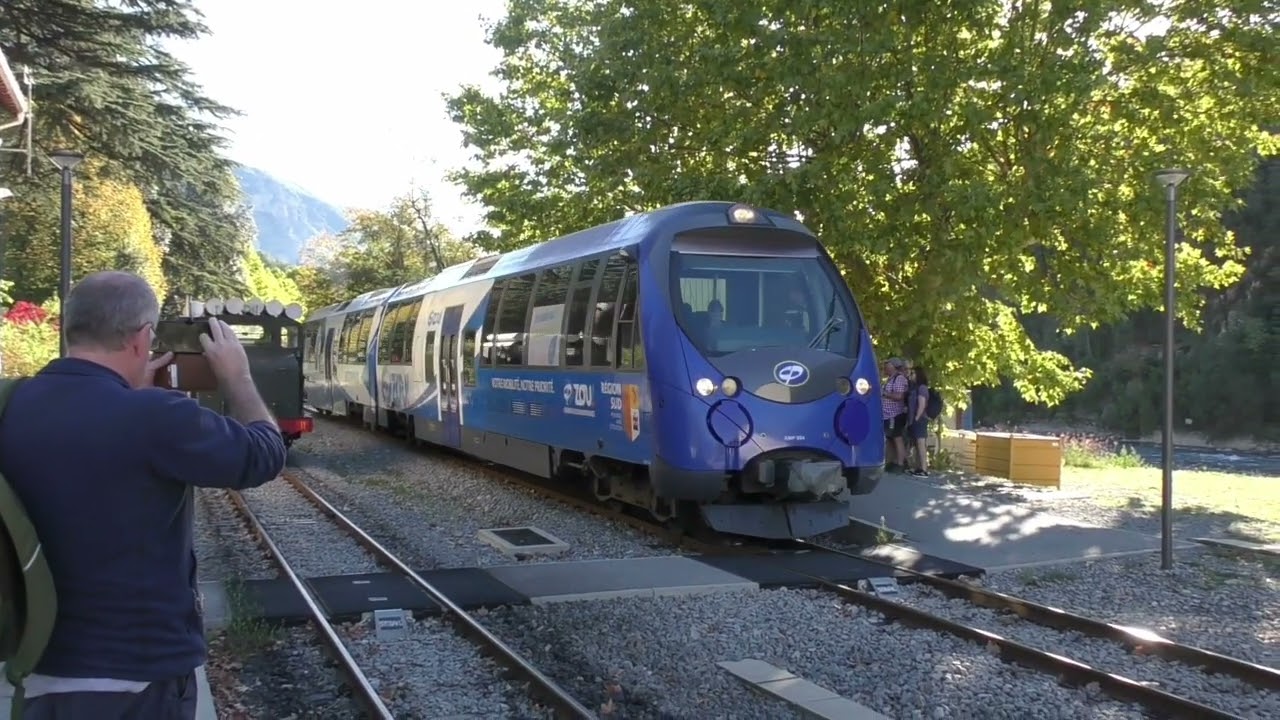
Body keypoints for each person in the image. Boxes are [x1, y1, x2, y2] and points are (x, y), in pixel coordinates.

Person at [0, 270, 288, 719]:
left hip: (37, 666)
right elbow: (264, 454)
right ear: (141, 338)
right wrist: (238, 378)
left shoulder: (9, 405)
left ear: (69, 328)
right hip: (138, 675)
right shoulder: (157, 417)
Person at [881, 357, 909, 472]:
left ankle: (901, 463)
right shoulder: (890, 379)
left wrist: (884, 393)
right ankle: (892, 461)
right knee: (891, 438)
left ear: (894, 366)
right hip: (887, 414)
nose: (885, 367)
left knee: (897, 438)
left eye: (888, 365)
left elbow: (899, 396)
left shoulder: (899, 379)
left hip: (894, 414)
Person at [906, 365, 932, 477]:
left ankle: (924, 469)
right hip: (915, 419)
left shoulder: (922, 388)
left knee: (921, 444)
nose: (911, 375)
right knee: (917, 444)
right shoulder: (914, 388)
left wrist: (916, 418)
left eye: (913, 373)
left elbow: (921, 405)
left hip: (920, 420)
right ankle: (918, 467)